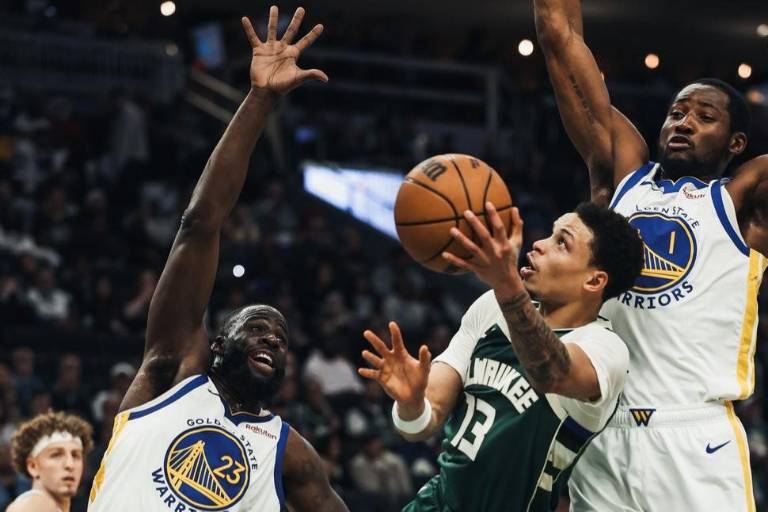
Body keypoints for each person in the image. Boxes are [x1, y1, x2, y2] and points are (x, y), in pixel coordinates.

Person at [87, 6, 347, 512]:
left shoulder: (291, 454)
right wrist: (259, 100)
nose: (273, 339)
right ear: (219, 343)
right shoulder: (172, 371)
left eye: (281, 340)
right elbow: (200, 223)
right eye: (258, 328)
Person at [533, 1, 768, 510]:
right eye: (677, 113)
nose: (684, 122)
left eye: (705, 117)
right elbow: (559, 37)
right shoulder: (622, 177)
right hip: (602, 433)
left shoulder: (743, 201)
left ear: (736, 143)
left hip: (695, 436)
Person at [360, 202, 643, 511]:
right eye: (550, 234)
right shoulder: (491, 306)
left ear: (594, 281)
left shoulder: (605, 349)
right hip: (435, 503)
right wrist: (411, 402)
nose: (540, 244)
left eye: (562, 242)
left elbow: (551, 372)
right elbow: (421, 424)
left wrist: (507, 285)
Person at [8, 411, 93, 512]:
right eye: (56, 455)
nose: (70, 464)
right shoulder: (36, 503)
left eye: (75, 455)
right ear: (33, 466)